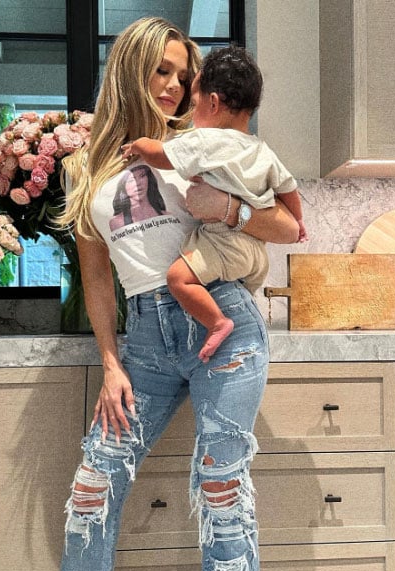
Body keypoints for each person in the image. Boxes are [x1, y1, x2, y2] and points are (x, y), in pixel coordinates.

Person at [15, 16, 298, 571]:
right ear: (129, 71)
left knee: (223, 500)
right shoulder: (85, 168)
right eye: (161, 70)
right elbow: (97, 279)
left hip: (221, 324)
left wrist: (228, 208)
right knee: (91, 491)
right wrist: (110, 363)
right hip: (142, 338)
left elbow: (285, 226)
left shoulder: (201, 143)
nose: (173, 85)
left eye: (183, 74)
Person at [123, 45, 307, 361]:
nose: (190, 111)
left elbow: (161, 155)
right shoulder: (261, 150)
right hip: (256, 254)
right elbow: (289, 190)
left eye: (194, 103)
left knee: (178, 279)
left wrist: (140, 144)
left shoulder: (204, 140)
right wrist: (300, 221)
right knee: (239, 300)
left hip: (222, 244)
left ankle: (218, 322)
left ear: (213, 102)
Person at [108, 164, 167, 231]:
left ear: (149, 179)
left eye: (142, 176)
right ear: (123, 186)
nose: (138, 183)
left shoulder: (167, 215)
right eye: (131, 180)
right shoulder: (116, 223)